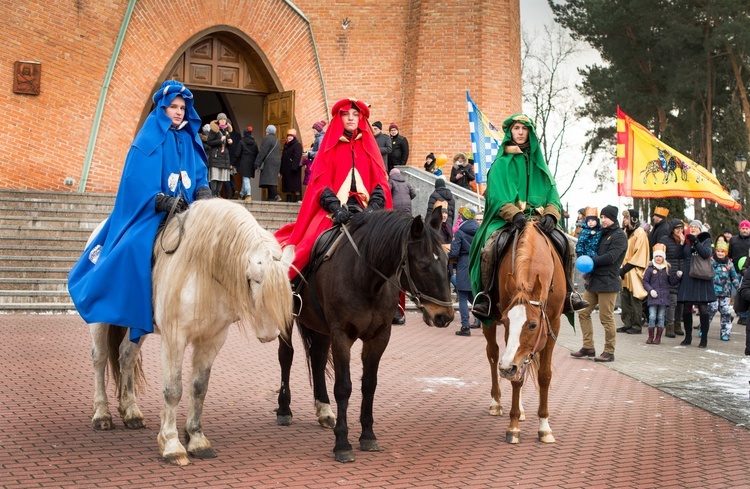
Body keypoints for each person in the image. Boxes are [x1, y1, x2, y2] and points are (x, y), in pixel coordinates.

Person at [68, 80, 211, 343]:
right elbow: (135, 182)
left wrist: (203, 191)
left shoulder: (190, 139)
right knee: (134, 248)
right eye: (173, 107)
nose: (179, 112)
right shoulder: (148, 138)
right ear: (162, 108)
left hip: (189, 211)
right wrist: (161, 201)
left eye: (182, 107)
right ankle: (137, 304)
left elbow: (200, 176)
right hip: (152, 212)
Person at [468, 114, 588, 322]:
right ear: (510, 132)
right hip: (508, 220)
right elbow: (496, 197)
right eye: (516, 128)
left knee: (566, 244)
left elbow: (553, 194)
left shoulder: (539, 164)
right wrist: (515, 216)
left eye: (524, 129)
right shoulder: (500, 164)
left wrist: (551, 213)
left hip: (540, 221)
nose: (521, 132)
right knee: (489, 248)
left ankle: (568, 292)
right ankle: (486, 295)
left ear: (530, 133)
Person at [274, 98, 392, 280]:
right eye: (346, 114)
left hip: (367, 210)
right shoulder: (331, 147)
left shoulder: (368, 146)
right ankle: (291, 286)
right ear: (340, 118)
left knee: (393, 249)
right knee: (309, 244)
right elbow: (320, 183)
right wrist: (335, 207)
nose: (351, 118)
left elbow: (380, 181)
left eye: (355, 114)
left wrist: (375, 206)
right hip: (333, 210)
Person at [570, 205, 628, 362]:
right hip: (594, 280)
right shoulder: (601, 233)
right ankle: (588, 346)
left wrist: (590, 261)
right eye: (601, 217)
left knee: (606, 317)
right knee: (583, 312)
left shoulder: (619, 236)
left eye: (605, 218)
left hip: (608, 282)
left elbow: (611, 257)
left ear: (613, 218)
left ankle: (609, 351)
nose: (602, 220)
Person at [677, 220, 716, 348]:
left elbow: (705, 254)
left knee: (703, 308)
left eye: (695, 227)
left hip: (701, 276)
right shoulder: (687, 240)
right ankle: (688, 337)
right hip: (688, 275)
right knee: (687, 307)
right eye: (691, 226)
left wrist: (695, 241)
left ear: (700, 229)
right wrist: (682, 243)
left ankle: (703, 338)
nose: (693, 228)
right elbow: (679, 255)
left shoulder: (706, 239)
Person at [617, 209, 650, 335]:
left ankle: (636, 325)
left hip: (634, 270)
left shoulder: (640, 233)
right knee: (625, 297)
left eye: (626, 218)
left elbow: (640, 254)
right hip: (625, 271)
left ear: (633, 219)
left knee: (635, 298)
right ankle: (627, 323)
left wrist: (625, 269)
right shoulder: (626, 232)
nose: (624, 220)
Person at [642, 244, 680, 344]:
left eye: (660, 256)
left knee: (661, 316)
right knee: (652, 316)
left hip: (663, 297)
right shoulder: (650, 269)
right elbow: (645, 281)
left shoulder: (666, 269)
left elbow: (671, 281)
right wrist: (650, 290)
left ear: (663, 258)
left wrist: (677, 276)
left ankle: (658, 337)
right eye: (656, 256)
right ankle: (650, 336)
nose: (658, 258)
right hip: (653, 297)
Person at [450, 206, 479, 336]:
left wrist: (449, 255)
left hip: (463, 264)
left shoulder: (460, 232)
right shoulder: (479, 231)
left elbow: (454, 252)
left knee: (462, 296)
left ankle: (465, 326)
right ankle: (482, 318)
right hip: (476, 264)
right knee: (472, 295)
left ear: (464, 217)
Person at [659, 219, 687, 338]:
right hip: (670, 274)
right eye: (677, 229)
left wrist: (684, 243)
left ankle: (677, 325)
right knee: (672, 301)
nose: (679, 231)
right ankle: (669, 326)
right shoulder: (665, 240)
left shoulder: (686, 241)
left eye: (681, 229)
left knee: (681, 302)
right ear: (672, 229)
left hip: (683, 274)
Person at [707, 241, 739, 342]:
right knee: (711, 310)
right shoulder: (711, 262)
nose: (720, 253)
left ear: (726, 252)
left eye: (722, 251)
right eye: (718, 251)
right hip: (713, 292)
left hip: (725, 293)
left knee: (726, 313)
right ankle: (703, 329)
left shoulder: (729, 264)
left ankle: (725, 333)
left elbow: (734, 277)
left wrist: (738, 287)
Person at [205, 113, 233, 197]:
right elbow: (209, 142)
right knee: (215, 176)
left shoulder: (226, 131)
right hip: (216, 156)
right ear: (218, 120)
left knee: (222, 176)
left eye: (224, 119)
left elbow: (227, 145)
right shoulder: (214, 130)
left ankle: (218, 193)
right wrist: (220, 140)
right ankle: (213, 193)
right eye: (221, 119)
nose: (223, 121)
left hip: (224, 157)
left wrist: (229, 142)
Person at [729, 220, 750, 325]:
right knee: (735, 292)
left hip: (747, 272)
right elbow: (729, 253)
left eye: (747, 228)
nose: (745, 230)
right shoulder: (733, 240)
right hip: (735, 270)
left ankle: (743, 316)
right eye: (743, 228)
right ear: (740, 229)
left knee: (744, 292)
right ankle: (740, 310)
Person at [255, 125, 282, 201]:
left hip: (269, 162)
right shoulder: (277, 140)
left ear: (268, 131)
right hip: (276, 162)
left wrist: (257, 163)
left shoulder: (266, 139)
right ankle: (271, 198)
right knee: (272, 180)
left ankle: (276, 195)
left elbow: (262, 152)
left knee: (269, 181)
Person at [235, 125, 258, 202]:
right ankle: (242, 195)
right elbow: (257, 153)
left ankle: (248, 194)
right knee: (246, 178)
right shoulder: (254, 143)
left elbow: (237, 154)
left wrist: (233, 163)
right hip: (251, 163)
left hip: (244, 163)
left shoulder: (241, 142)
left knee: (245, 178)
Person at [280, 128, 303, 202]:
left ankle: (297, 199)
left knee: (295, 186)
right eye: (288, 136)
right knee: (288, 186)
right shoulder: (286, 145)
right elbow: (283, 158)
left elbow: (297, 156)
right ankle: (288, 199)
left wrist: (294, 167)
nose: (289, 137)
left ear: (294, 137)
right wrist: (281, 170)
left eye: (291, 136)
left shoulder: (297, 145)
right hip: (286, 169)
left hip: (294, 170)